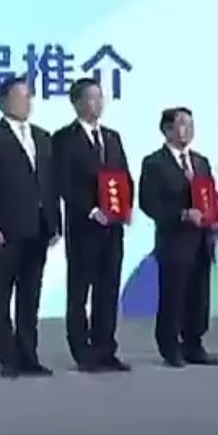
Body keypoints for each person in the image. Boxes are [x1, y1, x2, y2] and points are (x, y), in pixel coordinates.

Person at [0, 75, 60, 377]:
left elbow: (51, 185)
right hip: (6, 230)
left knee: (30, 295)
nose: (26, 102)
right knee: (3, 294)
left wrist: (55, 224)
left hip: (39, 227)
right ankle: (7, 357)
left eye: (29, 96)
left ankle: (29, 354)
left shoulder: (43, 137)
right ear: (3, 102)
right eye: (20, 97)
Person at [54, 78, 132, 373]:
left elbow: (124, 176)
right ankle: (82, 351)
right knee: (80, 290)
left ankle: (105, 349)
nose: (97, 104)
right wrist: (91, 210)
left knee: (108, 289)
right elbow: (63, 182)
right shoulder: (64, 138)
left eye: (100, 98)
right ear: (76, 103)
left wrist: (126, 207)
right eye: (91, 98)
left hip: (113, 227)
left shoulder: (112, 137)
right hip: (84, 226)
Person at [137, 107, 218, 368]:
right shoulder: (154, 163)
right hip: (175, 239)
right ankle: (170, 346)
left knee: (199, 296)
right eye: (182, 124)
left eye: (191, 124)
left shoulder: (200, 162)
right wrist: (183, 214)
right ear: (167, 130)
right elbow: (149, 202)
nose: (189, 129)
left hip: (202, 240)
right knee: (173, 295)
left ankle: (194, 344)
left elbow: (212, 195)